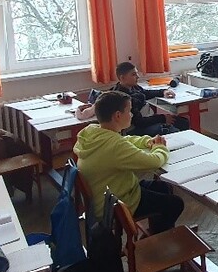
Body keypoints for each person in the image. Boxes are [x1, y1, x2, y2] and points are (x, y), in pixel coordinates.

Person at [74, 91, 182, 233]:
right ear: (118, 116)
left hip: (109, 193)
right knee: (176, 204)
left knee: (163, 188)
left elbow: (125, 140)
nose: (131, 115)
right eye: (129, 111)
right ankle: (153, 239)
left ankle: (158, 232)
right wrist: (160, 147)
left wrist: (147, 141)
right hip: (116, 204)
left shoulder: (92, 131)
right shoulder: (114, 146)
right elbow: (154, 162)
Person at [109, 61, 189, 136]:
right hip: (136, 128)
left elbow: (146, 93)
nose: (138, 76)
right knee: (172, 130)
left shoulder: (133, 87)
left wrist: (163, 92)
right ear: (122, 78)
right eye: (133, 74)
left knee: (183, 122)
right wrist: (163, 118)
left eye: (137, 73)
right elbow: (139, 122)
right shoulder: (123, 98)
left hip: (148, 119)